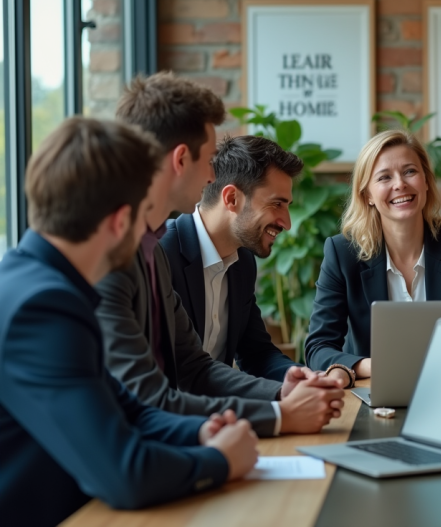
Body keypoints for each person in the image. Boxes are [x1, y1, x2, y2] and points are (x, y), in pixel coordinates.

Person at [0, 118, 259, 526]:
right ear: (121, 221)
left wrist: (200, 432)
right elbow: (124, 472)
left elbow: (126, 408)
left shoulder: (34, 281)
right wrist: (219, 461)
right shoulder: (45, 309)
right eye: (144, 215)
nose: (150, 233)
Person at [96, 72, 344, 437]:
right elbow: (154, 396)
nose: (212, 172)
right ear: (181, 160)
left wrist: (283, 390)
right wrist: (280, 415)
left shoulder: (224, 259)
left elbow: (202, 366)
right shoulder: (139, 254)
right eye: (209, 158)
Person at [304, 129, 441, 384]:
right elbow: (319, 347)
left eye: (410, 172)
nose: (400, 184)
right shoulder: (342, 253)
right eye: (384, 177)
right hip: (373, 392)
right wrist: (372, 366)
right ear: (367, 195)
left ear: (426, 181)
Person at [160, 135, 303, 382]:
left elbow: (256, 353)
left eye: (287, 205)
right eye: (276, 204)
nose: (287, 223)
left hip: (222, 410)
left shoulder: (243, 262)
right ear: (232, 199)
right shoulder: (162, 253)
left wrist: (301, 377)